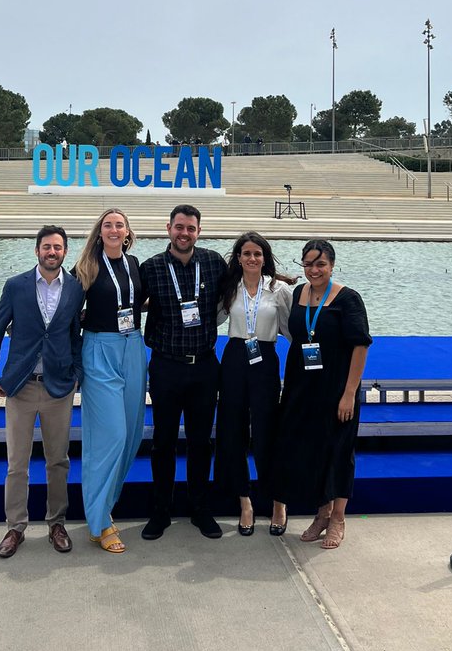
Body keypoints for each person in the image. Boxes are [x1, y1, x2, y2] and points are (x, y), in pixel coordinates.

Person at [0, 225, 84, 559]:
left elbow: (75, 336)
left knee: (58, 461)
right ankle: (15, 527)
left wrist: (77, 374)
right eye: (46, 247)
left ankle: (56, 523)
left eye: (57, 247)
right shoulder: (15, 286)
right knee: (17, 464)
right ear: (37, 250)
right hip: (21, 386)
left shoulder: (76, 289)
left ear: (65, 251)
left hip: (58, 388)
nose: (51, 252)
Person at [272, 238, 372, 548]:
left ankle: (338, 517)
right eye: (308, 264)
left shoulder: (347, 299)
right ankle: (321, 512)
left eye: (320, 264)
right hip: (302, 387)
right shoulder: (299, 293)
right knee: (312, 450)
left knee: (338, 450)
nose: (314, 270)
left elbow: (360, 345)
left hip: (336, 388)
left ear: (331, 265)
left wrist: (349, 392)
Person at [139, 204, 227, 540]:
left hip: (204, 366)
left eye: (190, 228)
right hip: (165, 366)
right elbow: (127, 301)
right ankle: (161, 511)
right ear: (168, 228)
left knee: (201, 441)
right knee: (162, 442)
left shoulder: (214, 262)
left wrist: (280, 281)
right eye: (179, 227)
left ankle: (199, 509)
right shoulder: (152, 268)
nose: (184, 233)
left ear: (199, 231)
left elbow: (248, 277)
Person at [73, 208, 146, 554]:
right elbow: (66, 313)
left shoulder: (134, 265)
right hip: (100, 350)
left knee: (131, 435)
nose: (114, 229)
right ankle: (100, 520)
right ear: (99, 232)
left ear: (128, 232)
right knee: (111, 436)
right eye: (108, 225)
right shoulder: (86, 267)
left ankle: (101, 511)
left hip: (133, 348)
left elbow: (138, 303)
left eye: (119, 224)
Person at [214, 233, 292, 536]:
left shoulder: (279, 289)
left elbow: (290, 330)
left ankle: (277, 502)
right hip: (234, 358)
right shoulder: (230, 288)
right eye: (246, 253)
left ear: (265, 257)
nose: (252, 259)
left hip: (265, 358)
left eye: (257, 254)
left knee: (266, 432)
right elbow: (215, 320)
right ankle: (245, 502)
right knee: (232, 431)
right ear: (238, 257)